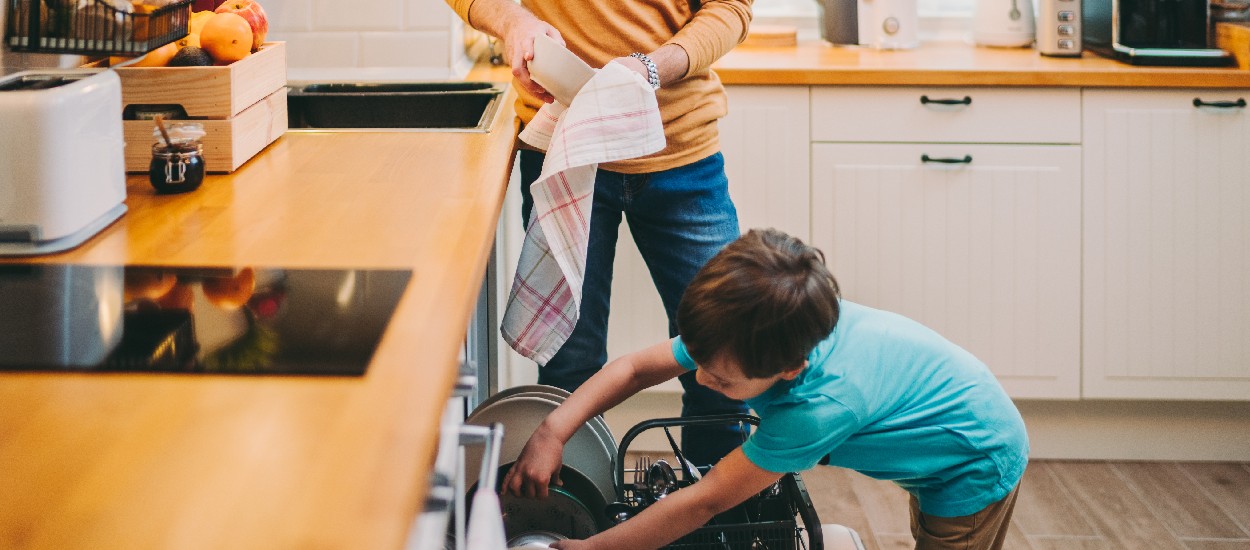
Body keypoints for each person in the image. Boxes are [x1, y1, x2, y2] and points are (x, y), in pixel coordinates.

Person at [503, 228, 1031, 550]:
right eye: (700, 362)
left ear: (789, 370)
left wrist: (594, 549)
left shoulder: (814, 408)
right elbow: (637, 369)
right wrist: (553, 430)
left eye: (721, 380)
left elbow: (702, 502)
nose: (703, 379)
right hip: (936, 424)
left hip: (972, 456)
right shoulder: (742, 332)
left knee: (947, 536)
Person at [443, 0, 754, 465]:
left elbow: (730, 8)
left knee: (725, 359)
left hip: (682, 149)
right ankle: (578, 525)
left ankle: (715, 527)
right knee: (569, 370)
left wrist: (651, 68)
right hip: (567, 145)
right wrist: (515, 23)